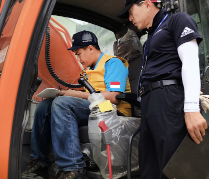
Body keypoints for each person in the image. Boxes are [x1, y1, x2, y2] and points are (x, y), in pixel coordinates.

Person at [118, 0, 208, 179]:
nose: (130, 18)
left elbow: (190, 62)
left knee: (178, 170)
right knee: (150, 170)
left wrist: (192, 108)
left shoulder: (177, 21)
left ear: (147, 4)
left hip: (169, 101)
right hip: (151, 105)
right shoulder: (150, 37)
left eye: (131, 11)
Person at [23, 30, 131, 179]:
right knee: (45, 106)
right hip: (96, 110)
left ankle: (73, 168)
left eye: (79, 53)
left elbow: (114, 97)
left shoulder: (113, 63)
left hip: (112, 112)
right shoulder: (89, 71)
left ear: (91, 48)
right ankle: (39, 161)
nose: (78, 59)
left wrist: (75, 94)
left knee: (62, 103)